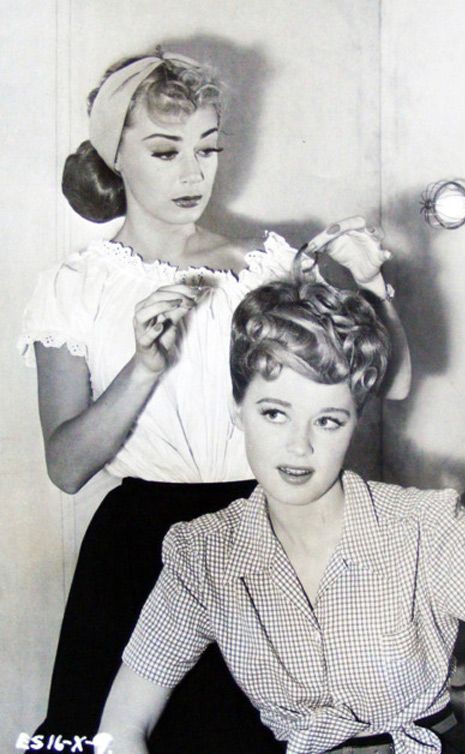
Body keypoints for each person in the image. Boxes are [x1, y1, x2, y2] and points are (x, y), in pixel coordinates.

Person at [18, 50, 410, 752]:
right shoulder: (74, 288)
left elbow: (390, 386)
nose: (193, 174)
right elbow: (66, 467)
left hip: (266, 537)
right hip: (139, 550)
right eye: (166, 151)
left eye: (208, 148)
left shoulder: (267, 268)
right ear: (116, 157)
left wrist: (370, 288)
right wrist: (143, 367)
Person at [98, 270, 465, 754]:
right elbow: (120, 726)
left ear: (355, 421)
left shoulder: (433, 532)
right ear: (238, 408)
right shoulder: (204, 555)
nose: (299, 447)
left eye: (328, 420)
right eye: (274, 413)